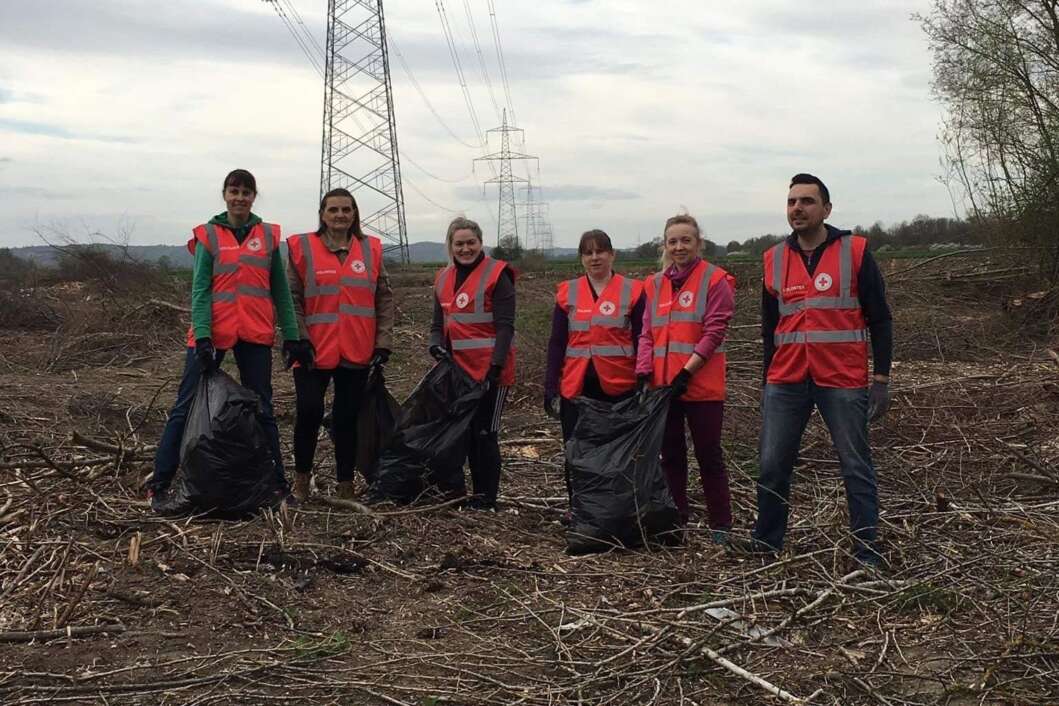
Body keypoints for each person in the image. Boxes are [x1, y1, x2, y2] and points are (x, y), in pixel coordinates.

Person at [749, 173, 892, 567]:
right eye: (792, 201)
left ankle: (867, 551)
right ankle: (767, 543)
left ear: (826, 209)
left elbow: (880, 318)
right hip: (786, 379)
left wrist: (881, 378)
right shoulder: (773, 259)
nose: (798, 208)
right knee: (772, 465)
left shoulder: (855, 252)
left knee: (855, 466)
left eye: (808, 201)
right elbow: (769, 328)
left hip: (841, 380)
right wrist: (766, 382)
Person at [148, 169, 303, 503]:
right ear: (224, 194)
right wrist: (203, 336)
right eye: (234, 191)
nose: (240, 198)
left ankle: (278, 485)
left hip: (255, 332)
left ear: (254, 197)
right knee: (185, 406)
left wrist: (291, 335)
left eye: (246, 192)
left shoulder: (268, 237)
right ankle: (159, 484)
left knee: (262, 408)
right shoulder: (209, 236)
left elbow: (281, 291)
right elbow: (200, 290)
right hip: (212, 335)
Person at [285, 188, 395, 502]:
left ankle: (345, 485)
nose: (340, 216)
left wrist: (382, 343)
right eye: (333, 210)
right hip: (311, 350)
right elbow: (291, 298)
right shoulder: (302, 248)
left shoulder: (370, 249)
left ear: (354, 214)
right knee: (309, 411)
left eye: (346, 210)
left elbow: (384, 300)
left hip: (356, 350)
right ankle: (301, 481)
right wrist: (298, 337)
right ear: (322, 214)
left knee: (347, 419)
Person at [636, 214, 735, 542]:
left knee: (709, 454)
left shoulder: (715, 280)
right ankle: (676, 519)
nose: (679, 247)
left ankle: (721, 523)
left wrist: (687, 371)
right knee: (671, 456)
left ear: (698, 243)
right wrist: (644, 371)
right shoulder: (654, 283)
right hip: (664, 387)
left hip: (702, 386)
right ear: (665, 245)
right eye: (673, 241)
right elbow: (647, 332)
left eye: (685, 240)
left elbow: (714, 330)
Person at [544, 229, 645, 501]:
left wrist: (645, 381)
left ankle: (616, 509)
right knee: (576, 451)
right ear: (581, 258)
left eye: (600, 251)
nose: (595, 257)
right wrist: (551, 385)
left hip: (620, 387)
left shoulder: (634, 291)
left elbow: (642, 339)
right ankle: (579, 507)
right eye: (588, 252)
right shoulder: (568, 292)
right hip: (576, 387)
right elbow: (557, 343)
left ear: (612, 255)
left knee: (618, 453)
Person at [429, 217, 516, 511]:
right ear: (450, 246)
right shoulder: (442, 278)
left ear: (480, 243)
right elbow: (438, 322)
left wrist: (496, 365)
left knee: (484, 433)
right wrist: (434, 342)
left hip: (489, 372)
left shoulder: (497, 275)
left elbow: (505, 327)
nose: (465, 249)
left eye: (471, 243)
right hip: (456, 372)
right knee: (458, 433)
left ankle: (485, 498)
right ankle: (458, 493)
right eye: (459, 244)